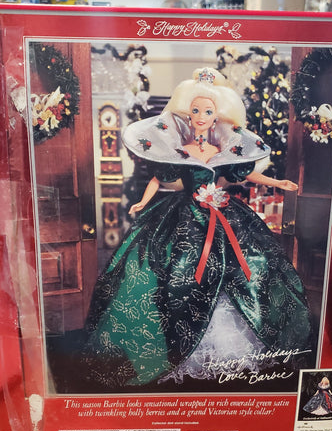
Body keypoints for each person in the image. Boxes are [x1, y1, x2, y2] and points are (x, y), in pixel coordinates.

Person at [80, 68, 313, 390]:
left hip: (223, 214)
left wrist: (278, 182)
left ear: (217, 117)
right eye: (196, 110)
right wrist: (143, 202)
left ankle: (233, 347)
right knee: (175, 269)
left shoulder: (221, 150)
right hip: (183, 216)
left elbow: (243, 175)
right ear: (187, 114)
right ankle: (174, 347)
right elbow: (158, 179)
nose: (201, 117)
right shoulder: (181, 150)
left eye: (208, 111)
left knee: (249, 267)